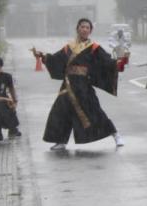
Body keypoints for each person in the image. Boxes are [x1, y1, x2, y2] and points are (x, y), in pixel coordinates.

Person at [32, 18, 127, 150]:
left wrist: (118, 63)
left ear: (90, 31)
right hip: (68, 85)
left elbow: (106, 61)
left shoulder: (94, 48)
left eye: (87, 27)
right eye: (82, 27)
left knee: (95, 112)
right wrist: (43, 56)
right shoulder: (68, 47)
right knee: (60, 112)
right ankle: (61, 141)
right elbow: (56, 59)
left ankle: (115, 135)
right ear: (77, 29)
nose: (85, 29)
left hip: (83, 86)